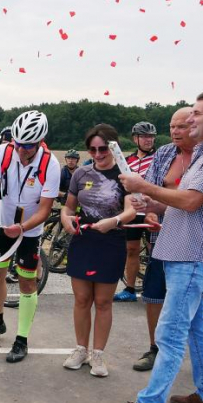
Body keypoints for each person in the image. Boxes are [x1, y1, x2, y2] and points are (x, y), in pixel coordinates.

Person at [105, 91, 203, 403]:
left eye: (197, 114)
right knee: (198, 331)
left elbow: (193, 201)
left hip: (194, 255)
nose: (189, 120)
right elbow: (185, 205)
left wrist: (146, 188)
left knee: (170, 335)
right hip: (184, 252)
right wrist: (153, 207)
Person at [132, 108, 203, 372]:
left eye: (181, 127)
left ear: (196, 126)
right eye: (172, 126)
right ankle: (155, 350)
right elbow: (152, 191)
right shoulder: (164, 153)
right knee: (154, 295)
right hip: (163, 238)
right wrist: (149, 210)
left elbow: (194, 201)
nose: (175, 132)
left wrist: (148, 193)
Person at [0, 111, 60, 363]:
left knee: (26, 282)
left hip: (29, 230)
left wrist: (22, 228)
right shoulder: (3, 152)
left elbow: (45, 209)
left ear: (41, 140)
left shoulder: (50, 164)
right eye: (18, 143)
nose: (22, 150)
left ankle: (21, 339)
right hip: (4, 225)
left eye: (29, 145)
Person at [60, 124, 136, 377]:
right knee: (82, 299)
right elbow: (68, 207)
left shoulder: (125, 175)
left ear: (113, 147)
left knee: (103, 302)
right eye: (92, 149)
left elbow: (130, 211)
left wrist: (113, 222)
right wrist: (65, 219)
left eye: (103, 148)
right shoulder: (80, 174)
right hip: (83, 240)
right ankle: (81, 349)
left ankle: (98, 354)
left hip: (111, 240)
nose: (98, 153)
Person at [115, 121, 158, 302]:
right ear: (135, 139)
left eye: (151, 136)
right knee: (131, 250)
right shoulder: (128, 161)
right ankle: (130, 289)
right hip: (132, 211)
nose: (149, 140)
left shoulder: (158, 158)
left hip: (153, 209)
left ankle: (154, 288)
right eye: (144, 136)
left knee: (154, 251)